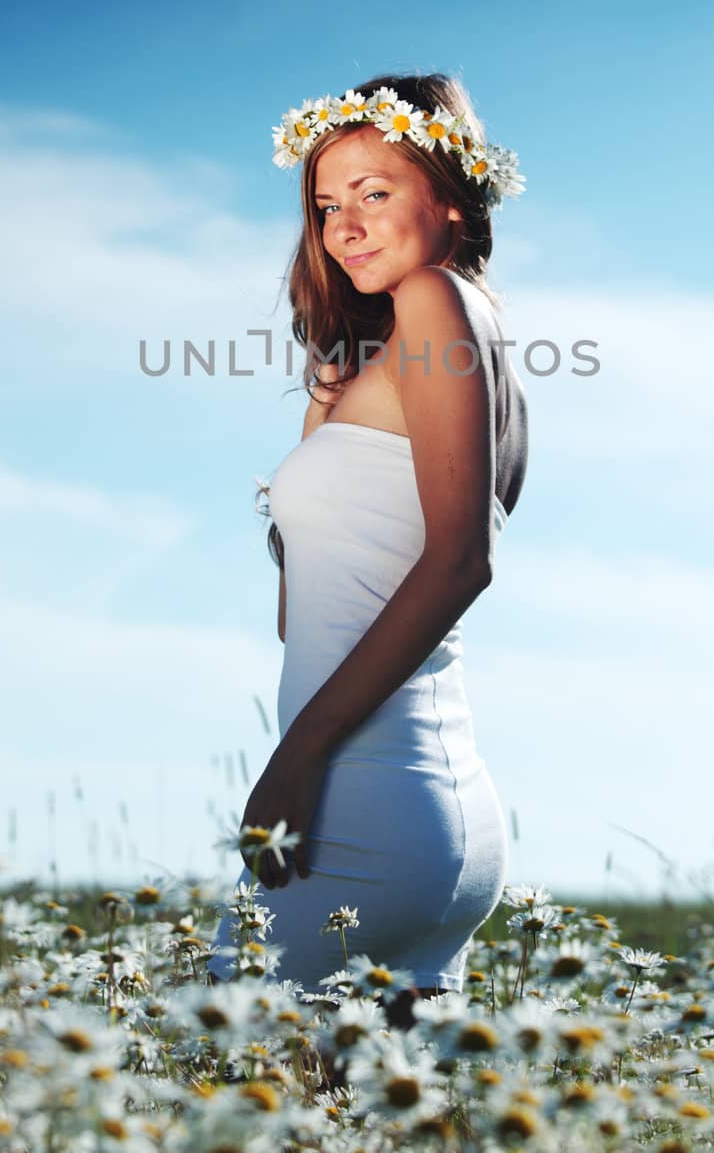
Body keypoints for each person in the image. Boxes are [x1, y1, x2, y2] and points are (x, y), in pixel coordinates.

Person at [206, 72, 528, 1036]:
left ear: (450, 198)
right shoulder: (443, 342)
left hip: (362, 797)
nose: (343, 224)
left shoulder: (435, 300)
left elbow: (461, 563)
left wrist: (293, 760)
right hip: (436, 806)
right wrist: (321, 413)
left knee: (238, 1083)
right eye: (324, 204)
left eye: (374, 193)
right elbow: (302, 610)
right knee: (380, 1125)